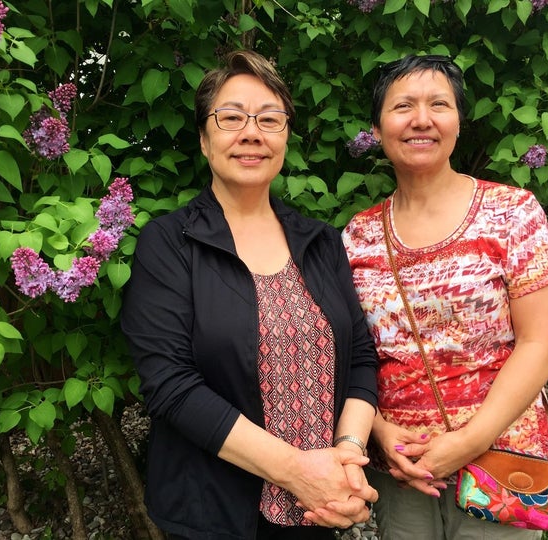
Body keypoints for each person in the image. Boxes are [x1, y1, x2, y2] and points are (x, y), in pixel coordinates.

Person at [120, 49, 380, 540]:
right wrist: (298, 472)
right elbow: (170, 384)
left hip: (317, 506)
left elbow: (362, 358)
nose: (252, 132)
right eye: (231, 117)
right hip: (214, 513)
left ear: (284, 136)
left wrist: (346, 455)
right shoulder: (169, 244)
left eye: (269, 119)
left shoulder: (322, 241)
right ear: (203, 138)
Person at [341, 54, 548, 540]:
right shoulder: (357, 236)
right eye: (402, 106)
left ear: (458, 123)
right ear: (378, 127)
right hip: (404, 469)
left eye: (438, 104)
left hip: (499, 460)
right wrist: (379, 433)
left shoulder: (512, 213)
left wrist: (467, 441)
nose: (420, 119)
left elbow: (540, 344)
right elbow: (352, 352)